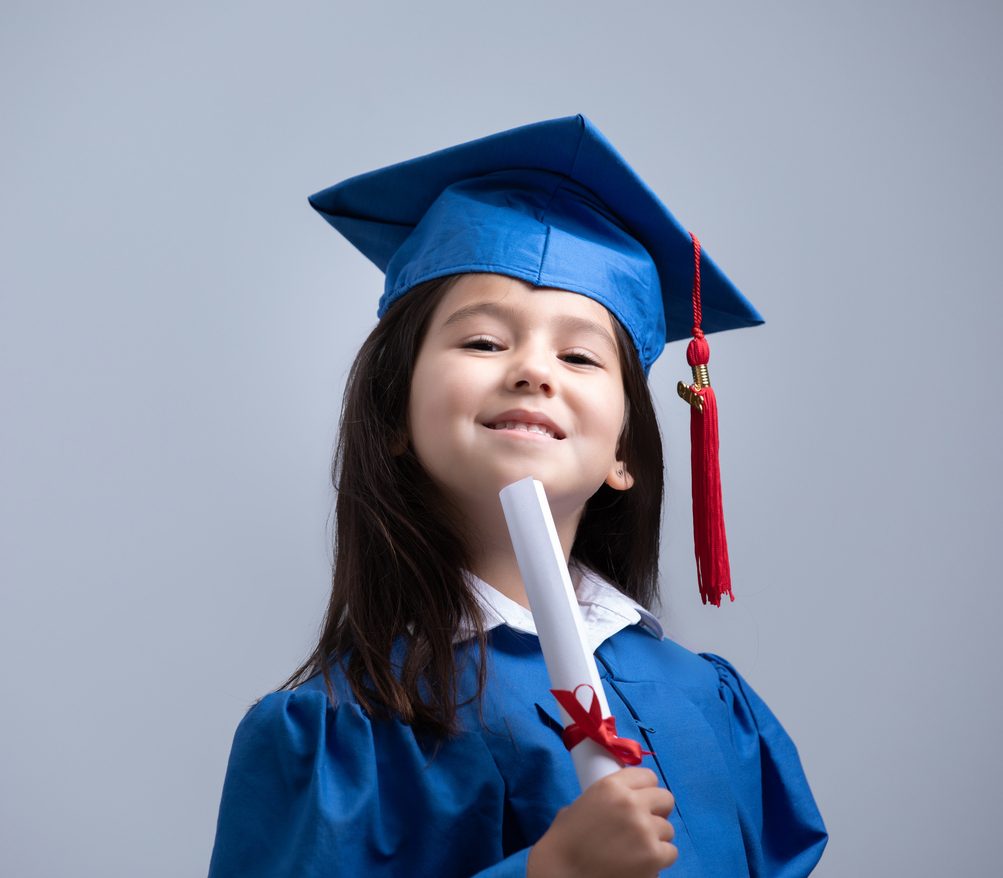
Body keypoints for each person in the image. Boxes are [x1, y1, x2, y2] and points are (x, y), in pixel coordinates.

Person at [207, 114, 827, 877]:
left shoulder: (705, 700)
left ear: (624, 453)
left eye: (577, 354)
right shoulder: (344, 732)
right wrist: (550, 872)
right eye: (482, 342)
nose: (534, 370)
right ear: (394, 415)